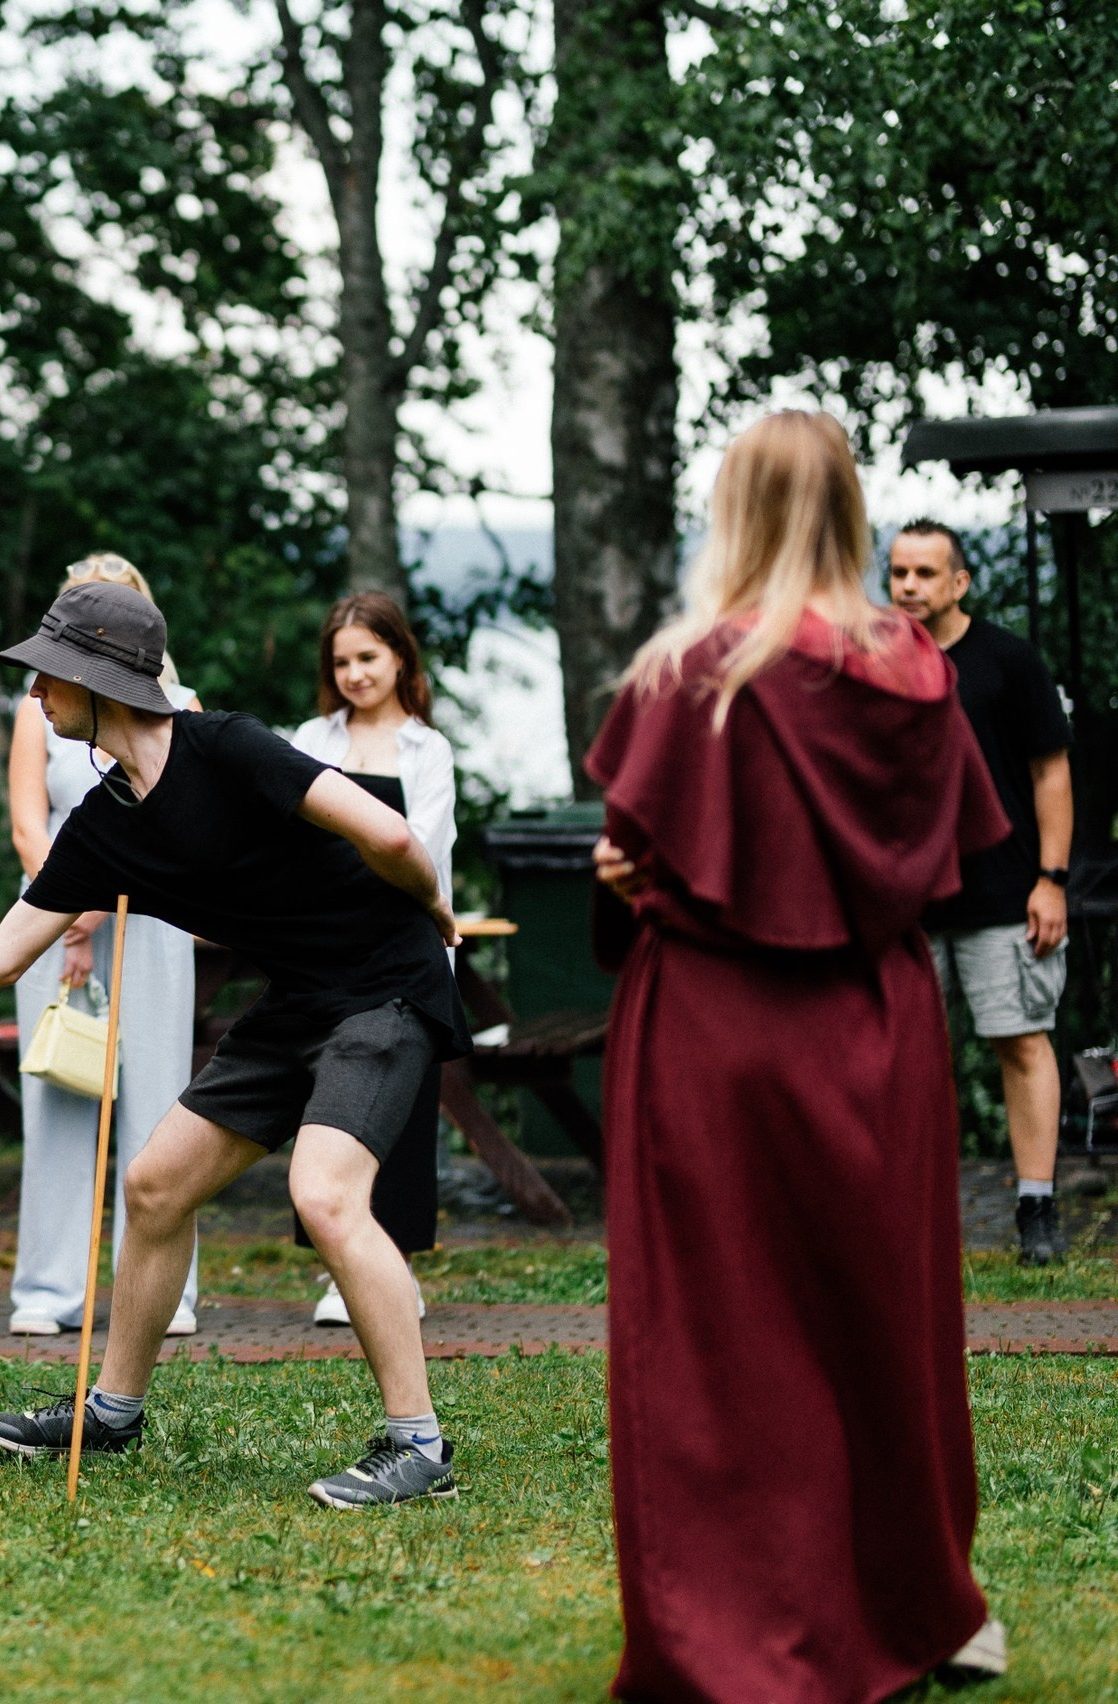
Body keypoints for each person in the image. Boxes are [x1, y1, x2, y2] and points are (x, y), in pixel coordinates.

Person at [0, 578, 469, 1507]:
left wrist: (432, 909)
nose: (35, 695)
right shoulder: (104, 825)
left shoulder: (226, 745)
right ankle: (112, 1412)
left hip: (384, 988)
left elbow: (387, 832)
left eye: (47, 677)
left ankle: (417, 1444)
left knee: (325, 1194)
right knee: (155, 1184)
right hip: (301, 1000)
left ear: (97, 677)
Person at [587, 412, 1007, 1698]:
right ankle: (929, 1605)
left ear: (738, 513)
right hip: (879, 1027)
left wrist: (630, 875)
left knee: (722, 1332)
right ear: (844, 511)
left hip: (717, 1028)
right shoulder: (921, 672)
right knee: (888, 1318)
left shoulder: (697, 671)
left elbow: (634, 860)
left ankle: (738, 1628)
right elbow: (955, 859)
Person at [5, 555, 200, 1339]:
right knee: (58, 1098)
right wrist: (72, 913)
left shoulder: (179, 707)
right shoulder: (37, 706)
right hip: (50, 912)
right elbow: (27, 823)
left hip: (152, 916)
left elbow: (180, 826)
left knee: (159, 1104)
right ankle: (47, 1290)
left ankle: (162, 1291)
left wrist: (100, 909)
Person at [888, 519, 1075, 1265]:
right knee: (899, 1059)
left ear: (959, 582)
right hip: (904, 906)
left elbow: (1050, 774)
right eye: (898, 572)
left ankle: (1036, 1208)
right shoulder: (873, 661)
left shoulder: (1008, 661)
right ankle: (906, 1216)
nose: (908, 587)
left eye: (925, 574)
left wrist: (1052, 880)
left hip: (1004, 895)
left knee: (1022, 1044)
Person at [288, 591, 452, 1326]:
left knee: (403, 1114)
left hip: (404, 950)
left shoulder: (428, 748)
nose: (355, 673)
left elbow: (425, 850)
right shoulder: (310, 739)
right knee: (333, 1108)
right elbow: (285, 837)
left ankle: (401, 1268)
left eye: (368, 658)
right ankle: (337, 1273)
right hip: (325, 949)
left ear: (399, 658)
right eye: (342, 662)